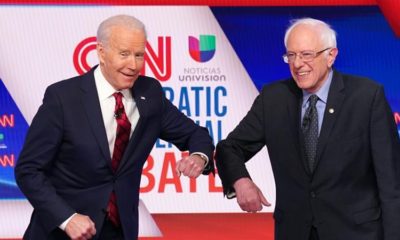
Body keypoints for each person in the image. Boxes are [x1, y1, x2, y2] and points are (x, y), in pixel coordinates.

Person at [15, 14, 214, 240]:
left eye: (139, 55)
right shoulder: (63, 98)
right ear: (101, 52)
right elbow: (28, 170)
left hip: (120, 231)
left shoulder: (150, 93)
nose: (133, 65)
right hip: (63, 232)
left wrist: (199, 157)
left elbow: (195, 134)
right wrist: (67, 218)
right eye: (124, 54)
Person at [216, 17, 400, 240]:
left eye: (306, 55)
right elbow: (229, 147)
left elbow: (392, 184)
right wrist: (240, 181)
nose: (297, 64)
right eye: (291, 55)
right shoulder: (273, 98)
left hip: (356, 232)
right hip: (295, 231)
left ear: (331, 56)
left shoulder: (367, 97)